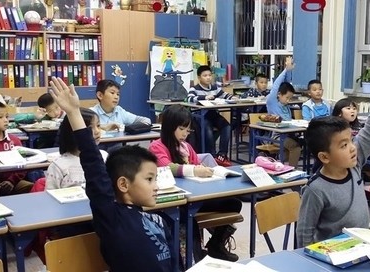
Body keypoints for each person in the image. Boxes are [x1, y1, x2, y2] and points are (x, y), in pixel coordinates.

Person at [49, 77, 177, 271]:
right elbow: (94, 165)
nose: (156, 186)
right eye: (149, 179)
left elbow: (174, 264)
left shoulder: (159, 220)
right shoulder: (111, 217)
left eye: (155, 179)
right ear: (123, 185)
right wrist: (74, 113)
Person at [296, 56, 370, 247]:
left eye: (351, 140)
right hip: (333, 257)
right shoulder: (316, 190)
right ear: (324, 157)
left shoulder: (354, 164)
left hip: (363, 247)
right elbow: (304, 235)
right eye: (343, 145)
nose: (353, 147)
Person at [148, 105, 242, 262]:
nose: (185, 134)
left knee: (234, 204)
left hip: (196, 196)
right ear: (170, 127)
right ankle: (195, 259)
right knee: (187, 218)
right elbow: (167, 167)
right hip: (175, 201)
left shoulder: (187, 147)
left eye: (188, 130)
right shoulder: (156, 146)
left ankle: (216, 245)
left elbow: (198, 165)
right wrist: (194, 170)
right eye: (181, 129)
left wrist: (205, 171)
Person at [45, 108, 108, 190]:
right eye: (89, 128)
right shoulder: (58, 166)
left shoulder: (104, 156)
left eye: (98, 126)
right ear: (72, 132)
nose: (97, 131)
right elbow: (50, 196)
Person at [187, 65, 234, 166]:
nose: (208, 77)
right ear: (199, 77)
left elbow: (225, 95)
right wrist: (205, 97)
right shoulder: (194, 88)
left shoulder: (214, 88)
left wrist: (233, 98)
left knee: (227, 126)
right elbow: (190, 99)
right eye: (205, 75)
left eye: (209, 75)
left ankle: (222, 155)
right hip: (199, 115)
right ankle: (211, 156)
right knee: (208, 130)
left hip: (212, 113)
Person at [265, 56, 302, 167]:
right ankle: (291, 171)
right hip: (277, 137)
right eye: (287, 98)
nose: (289, 101)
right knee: (295, 147)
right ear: (279, 95)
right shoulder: (273, 101)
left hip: (288, 134)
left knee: (303, 143)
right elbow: (277, 85)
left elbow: (287, 83)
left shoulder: (285, 106)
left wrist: (289, 71)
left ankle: (284, 166)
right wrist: (286, 69)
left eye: (290, 98)